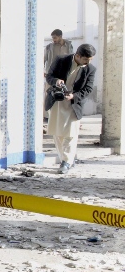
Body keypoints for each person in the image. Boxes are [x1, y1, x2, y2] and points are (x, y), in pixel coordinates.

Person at [45, 43, 96, 174]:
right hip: (57, 101)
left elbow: (88, 89)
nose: (88, 62)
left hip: (74, 104)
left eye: (90, 60)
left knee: (71, 134)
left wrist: (74, 96)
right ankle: (66, 159)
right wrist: (56, 81)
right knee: (57, 132)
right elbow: (49, 76)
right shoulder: (61, 60)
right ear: (78, 56)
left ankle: (66, 161)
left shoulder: (90, 69)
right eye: (86, 59)